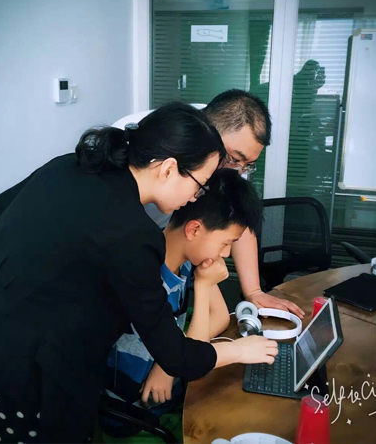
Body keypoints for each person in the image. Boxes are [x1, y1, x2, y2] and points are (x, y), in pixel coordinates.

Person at [0, 102, 278, 444]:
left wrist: (19, 293)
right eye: (200, 185)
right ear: (168, 169)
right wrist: (241, 350)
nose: (195, 197)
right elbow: (176, 357)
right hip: (21, 378)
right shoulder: (134, 234)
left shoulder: (69, 166)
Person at [113, 90, 305, 319]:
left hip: (170, 252)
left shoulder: (231, 153)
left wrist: (254, 291)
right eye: (234, 159)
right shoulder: (153, 137)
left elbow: (236, 215)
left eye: (248, 164)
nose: (238, 171)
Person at [101, 169, 262, 440]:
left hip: (174, 396)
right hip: (135, 419)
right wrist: (204, 286)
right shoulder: (146, 276)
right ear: (194, 229)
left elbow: (220, 318)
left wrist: (166, 365)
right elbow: (192, 357)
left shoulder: (186, 259)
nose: (225, 254)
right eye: (225, 243)